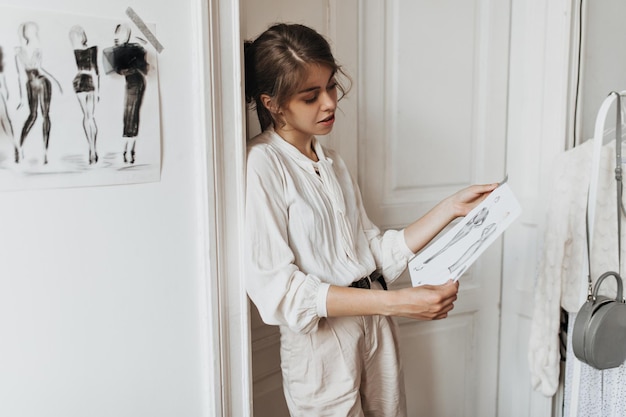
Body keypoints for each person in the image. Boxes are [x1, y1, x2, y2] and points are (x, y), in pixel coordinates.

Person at [244, 23, 498, 417]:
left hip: (377, 328)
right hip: (323, 344)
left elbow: (374, 252)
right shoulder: (262, 164)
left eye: (330, 86)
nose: (329, 103)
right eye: (311, 96)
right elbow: (280, 291)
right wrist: (395, 303)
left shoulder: (332, 162)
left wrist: (449, 208)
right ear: (272, 103)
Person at [14, 21, 62, 164]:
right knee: (33, 115)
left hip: (43, 82)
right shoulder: (19, 51)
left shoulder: (38, 49)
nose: (32, 33)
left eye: (34, 31)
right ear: (24, 32)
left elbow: (41, 68)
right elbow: (20, 75)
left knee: (45, 115)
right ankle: (20, 147)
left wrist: (55, 80)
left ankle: (45, 152)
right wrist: (22, 97)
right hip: (31, 84)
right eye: (30, 31)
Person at [102, 23, 148, 164]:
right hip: (131, 83)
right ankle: (127, 151)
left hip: (136, 82)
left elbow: (142, 66)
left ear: (126, 35)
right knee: (128, 115)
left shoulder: (134, 49)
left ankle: (129, 151)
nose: (116, 38)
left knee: (131, 115)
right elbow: (117, 69)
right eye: (116, 35)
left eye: (119, 34)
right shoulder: (118, 51)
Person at [69, 25, 100, 165]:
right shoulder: (90, 50)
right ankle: (92, 148)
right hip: (84, 81)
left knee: (88, 117)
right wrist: (98, 91)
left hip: (82, 81)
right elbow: (95, 72)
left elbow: (95, 71)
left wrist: (98, 90)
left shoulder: (84, 50)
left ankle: (92, 148)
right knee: (89, 116)